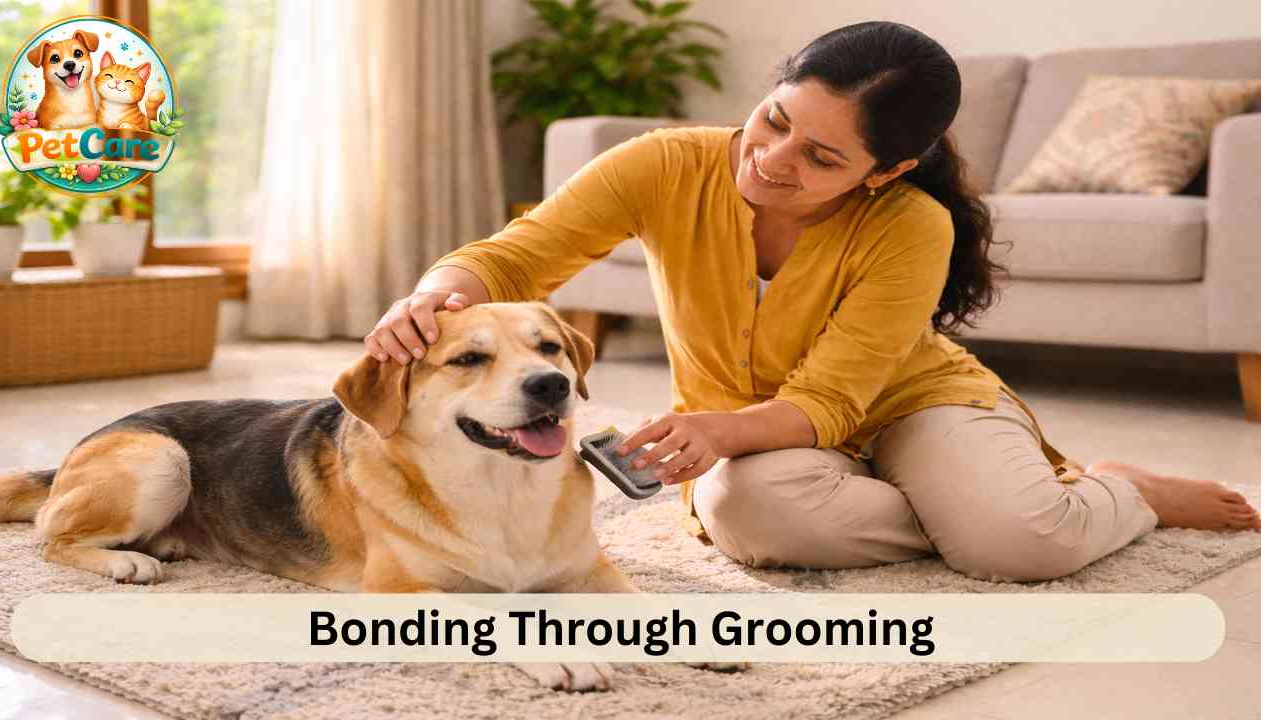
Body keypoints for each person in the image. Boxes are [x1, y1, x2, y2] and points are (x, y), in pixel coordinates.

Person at [365, 22, 1261, 582]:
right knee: (754, 517)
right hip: (764, 439)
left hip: (909, 405)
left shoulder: (912, 225)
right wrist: (434, 295)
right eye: (775, 118)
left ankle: (1117, 491)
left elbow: (834, 401)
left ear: (889, 171)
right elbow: (521, 252)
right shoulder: (663, 164)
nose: (772, 160)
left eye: (822, 159)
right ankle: (976, 505)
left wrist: (718, 436)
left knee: (1019, 547)